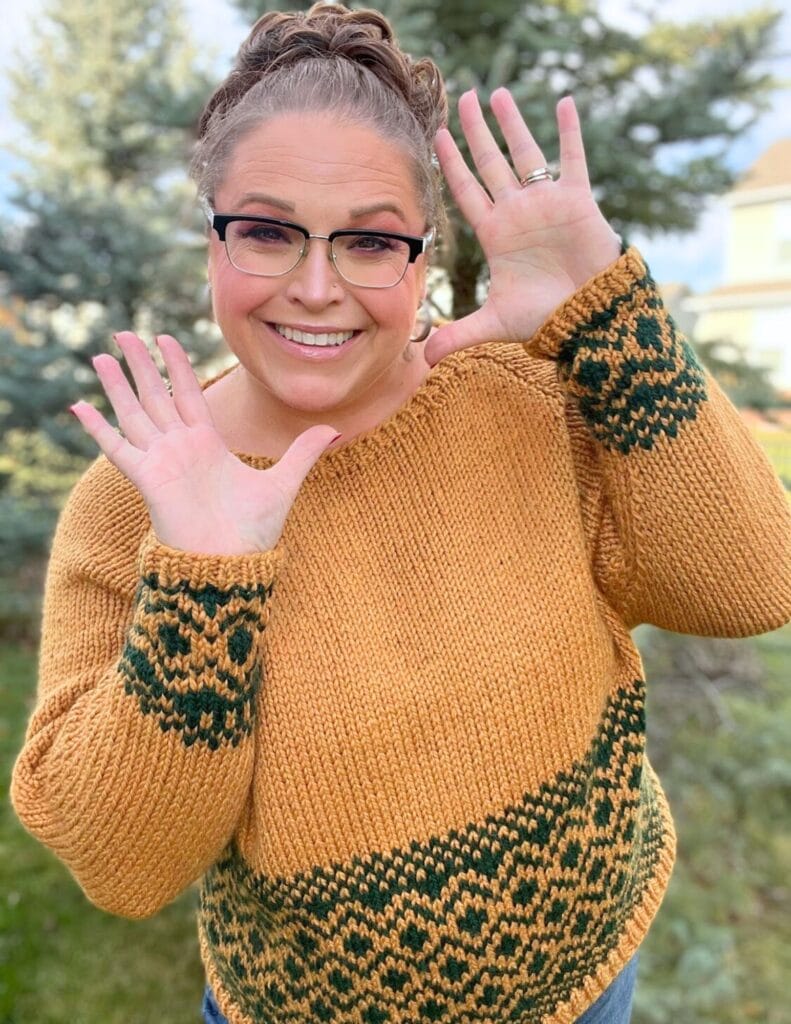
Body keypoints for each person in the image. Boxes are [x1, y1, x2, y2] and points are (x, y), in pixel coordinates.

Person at [10, 4, 791, 1023]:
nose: (316, 287)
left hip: (590, 982)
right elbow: (123, 861)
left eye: (370, 241)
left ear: (421, 259)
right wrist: (204, 584)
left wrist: (612, 314)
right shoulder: (136, 498)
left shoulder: (527, 399)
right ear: (211, 240)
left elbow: (747, 584)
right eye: (266, 232)